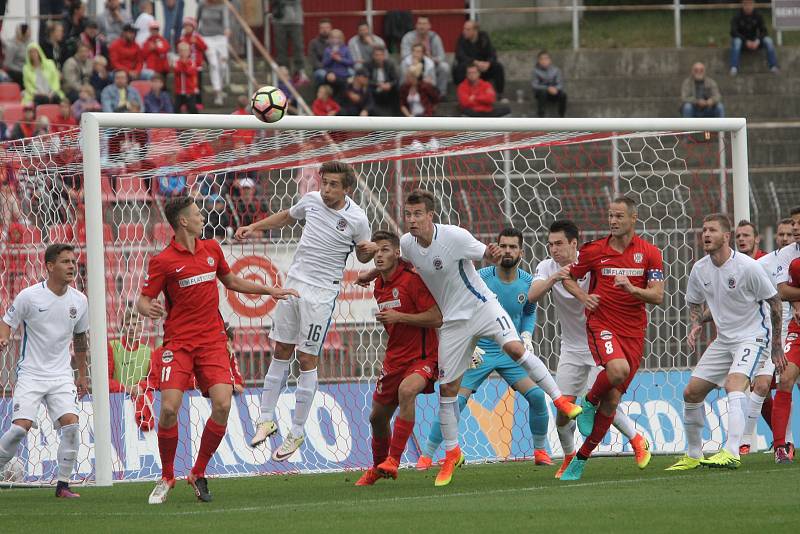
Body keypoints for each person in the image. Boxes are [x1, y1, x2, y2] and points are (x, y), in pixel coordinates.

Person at [358, 189, 581, 487]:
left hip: (481, 306)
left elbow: (484, 253)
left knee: (515, 347)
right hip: (452, 323)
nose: (412, 220)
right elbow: (399, 260)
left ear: (430, 215)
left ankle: (561, 401)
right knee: (448, 389)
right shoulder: (408, 244)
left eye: (417, 214)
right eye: (408, 215)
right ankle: (451, 453)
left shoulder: (454, 236)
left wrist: (493, 252)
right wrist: (371, 274)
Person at [137, 196, 297, 504]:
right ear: (183, 221)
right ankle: (167, 475)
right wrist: (149, 309)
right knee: (169, 408)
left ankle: (197, 472)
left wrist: (269, 290)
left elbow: (232, 280)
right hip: (178, 343)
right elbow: (144, 299)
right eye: (197, 214)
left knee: (222, 405)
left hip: (212, 341)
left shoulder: (212, 248)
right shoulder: (164, 261)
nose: (202, 217)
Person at [235, 161, 376, 461]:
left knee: (307, 357)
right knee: (281, 349)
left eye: (333, 185)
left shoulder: (357, 218)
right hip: (295, 284)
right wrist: (253, 227)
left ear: (346, 188)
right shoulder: (311, 201)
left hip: (322, 293)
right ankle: (266, 418)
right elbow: (287, 216)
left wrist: (369, 250)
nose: (325, 189)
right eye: (324, 183)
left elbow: (363, 255)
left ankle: (297, 431)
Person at [418, 227, 553, 469]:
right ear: (496, 248)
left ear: (522, 251)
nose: (508, 251)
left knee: (536, 396)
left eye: (513, 246)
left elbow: (529, 310)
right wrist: (471, 344)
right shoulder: (480, 276)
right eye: (504, 246)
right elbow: (466, 305)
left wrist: (525, 334)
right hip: (479, 352)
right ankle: (426, 455)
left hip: (509, 351)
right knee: (454, 400)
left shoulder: (528, 283)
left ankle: (541, 451)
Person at [529, 220, 651, 478]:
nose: (554, 249)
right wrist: (555, 276)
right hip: (571, 349)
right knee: (564, 412)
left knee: (607, 401)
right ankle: (569, 455)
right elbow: (532, 295)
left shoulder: (592, 263)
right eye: (550, 244)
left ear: (574, 243)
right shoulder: (547, 267)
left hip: (600, 343)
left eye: (560, 243)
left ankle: (636, 440)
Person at [666, 213, 784, 471]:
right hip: (724, 340)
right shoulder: (700, 269)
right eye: (704, 230)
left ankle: (732, 451)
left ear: (726, 236)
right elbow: (694, 302)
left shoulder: (747, 267)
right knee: (691, 392)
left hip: (753, 337)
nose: (706, 234)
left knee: (734, 385)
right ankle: (694, 454)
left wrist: (775, 347)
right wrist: (696, 323)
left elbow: (774, 302)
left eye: (712, 230)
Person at [559, 196, 664, 481]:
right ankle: (588, 401)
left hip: (634, 331)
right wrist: (583, 296)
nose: (613, 221)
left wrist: (632, 289)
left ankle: (581, 458)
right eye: (610, 216)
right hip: (602, 323)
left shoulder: (650, 253)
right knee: (617, 370)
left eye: (619, 216)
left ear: (633, 218)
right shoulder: (595, 251)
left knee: (613, 401)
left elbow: (657, 296)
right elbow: (568, 277)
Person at [0, 244, 89, 498]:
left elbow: (80, 338)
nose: (72, 266)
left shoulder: (80, 301)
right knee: (19, 429)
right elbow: (7, 323)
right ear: (50, 266)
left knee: (71, 426)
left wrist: (82, 374)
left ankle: (63, 485)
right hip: (31, 373)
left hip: (61, 375)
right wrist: (4, 339)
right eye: (65, 262)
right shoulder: (29, 296)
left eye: (73, 261)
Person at [354, 230, 442, 486]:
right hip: (394, 357)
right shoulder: (379, 284)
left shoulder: (412, 280)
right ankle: (378, 468)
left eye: (384, 250)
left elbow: (437, 317)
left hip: (423, 356)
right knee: (376, 418)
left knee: (407, 391)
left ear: (396, 253)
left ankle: (393, 460)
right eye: (376, 251)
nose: (379, 255)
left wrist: (400, 317)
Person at [770, 209, 800, 463]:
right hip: (796, 329)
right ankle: (781, 446)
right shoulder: (786, 255)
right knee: (785, 376)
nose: (796, 228)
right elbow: (781, 290)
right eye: (794, 224)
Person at [400, 17, 450, 97]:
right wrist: (415, 58)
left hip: (430, 64)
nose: (421, 26)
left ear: (429, 26)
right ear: (416, 26)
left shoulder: (434, 37)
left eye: (424, 24)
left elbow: (441, 56)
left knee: (444, 67)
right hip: (413, 63)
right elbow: (404, 55)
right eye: (419, 24)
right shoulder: (408, 37)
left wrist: (431, 59)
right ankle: (404, 92)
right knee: (403, 64)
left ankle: (440, 94)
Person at [453, 20, 504, 97]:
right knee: (458, 69)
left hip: (483, 69)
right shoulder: (462, 38)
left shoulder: (484, 37)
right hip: (469, 68)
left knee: (498, 67)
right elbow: (459, 55)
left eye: (468, 29)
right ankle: (463, 95)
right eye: (464, 29)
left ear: (475, 30)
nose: (464, 31)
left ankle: (500, 94)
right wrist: (475, 62)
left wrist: (488, 63)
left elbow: (492, 54)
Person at [730, 0, 778, 75]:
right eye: (746, 4)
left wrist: (758, 40)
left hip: (755, 41)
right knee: (737, 42)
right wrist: (745, 41)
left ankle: (773, 66)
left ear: (753, 5)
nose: (748, 7)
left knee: (768, 41)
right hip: (742, 42)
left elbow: (764, 31)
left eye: (750, 4)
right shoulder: (737, 16)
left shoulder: (758, 15)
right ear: (742, 5)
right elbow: (733, 32)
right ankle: (734, 67)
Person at [198, 0, 230, 106]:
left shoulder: (222, 5)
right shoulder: (202, 4)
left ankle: (219, 86)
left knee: (223, 65)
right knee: (213, 64)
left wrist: (227, 28)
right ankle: (217, 92)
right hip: (207, 37)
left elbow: (226, 20)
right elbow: (197, 19)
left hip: (220, 37)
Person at [271, 0, 308, 86]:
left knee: (298, 46)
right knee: (280, 47)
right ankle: (283, 72)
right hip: (279, 18)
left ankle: (300, 71)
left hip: (295, 19)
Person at [178, 17, 208, 105]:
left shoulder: (197, 37)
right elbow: (180, 48)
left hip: (197, 66)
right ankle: (186, 103)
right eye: (186, 26)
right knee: (186, 84)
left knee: (197, 85)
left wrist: (197, 42)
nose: (187, 28)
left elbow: (205, 47)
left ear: (193, 27)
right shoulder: (182, 38)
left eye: (189, 26)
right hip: (186, 65)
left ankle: (199, 102)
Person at [365, 46, 399, 116]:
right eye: (376, 55)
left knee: (397, 89)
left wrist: (389, 84)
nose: (379, 57)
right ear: (373, 56)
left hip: (388, 89)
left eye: (381, 55)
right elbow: (366, 80)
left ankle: (395, 114)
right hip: (374, 88)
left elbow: (395, 79)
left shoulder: (390, 64)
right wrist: (378, 84)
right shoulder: (368, 65)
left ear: (384, 56)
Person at [532, 50, 567, 118]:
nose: (544, 61)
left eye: (546, 58)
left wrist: (555, 89)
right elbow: (534, 85)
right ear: (538, 61)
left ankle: (562, 116)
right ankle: (541, 117)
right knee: (542, 93)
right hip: (542, 93)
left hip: (554, 92)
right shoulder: (535, 71)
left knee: (563, 95)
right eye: (541, 59)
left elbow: (560, 84)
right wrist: (547, 88)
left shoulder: (556, 70)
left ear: (550, 60)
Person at [321, 29, 354, 94]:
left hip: (343, 74)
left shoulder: (346, 49)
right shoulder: (327, 50)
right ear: (329, 39)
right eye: (333, 38)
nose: (335, 40)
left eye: (338, 38)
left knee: (345, 84)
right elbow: (324, 64)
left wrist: (340, 59)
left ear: (342, 39)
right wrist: (331, 58)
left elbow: (351, 62)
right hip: (332, 74)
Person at [173, 42, 199, 113]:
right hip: (179, 91)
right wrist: (184, 64)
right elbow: (177, 70)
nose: (183, 53)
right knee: (176, 108)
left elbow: (189, 72)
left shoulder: (192, 62)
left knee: (192, 108)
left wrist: (184, 64)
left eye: (185, 51)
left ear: (189, 52)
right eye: (181, 51)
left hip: (190, 91)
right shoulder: (176, 62)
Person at [309, 19, 332, 84]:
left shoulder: (336, 42)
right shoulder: (313, 43)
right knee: (322, 74)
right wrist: (328, 70)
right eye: (322, 28)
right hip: (320, 69)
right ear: (319, 29)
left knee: (350, 72)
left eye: (327, 28)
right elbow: (313, 61)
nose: (325, 30)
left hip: (336, 69)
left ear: (331, 29)